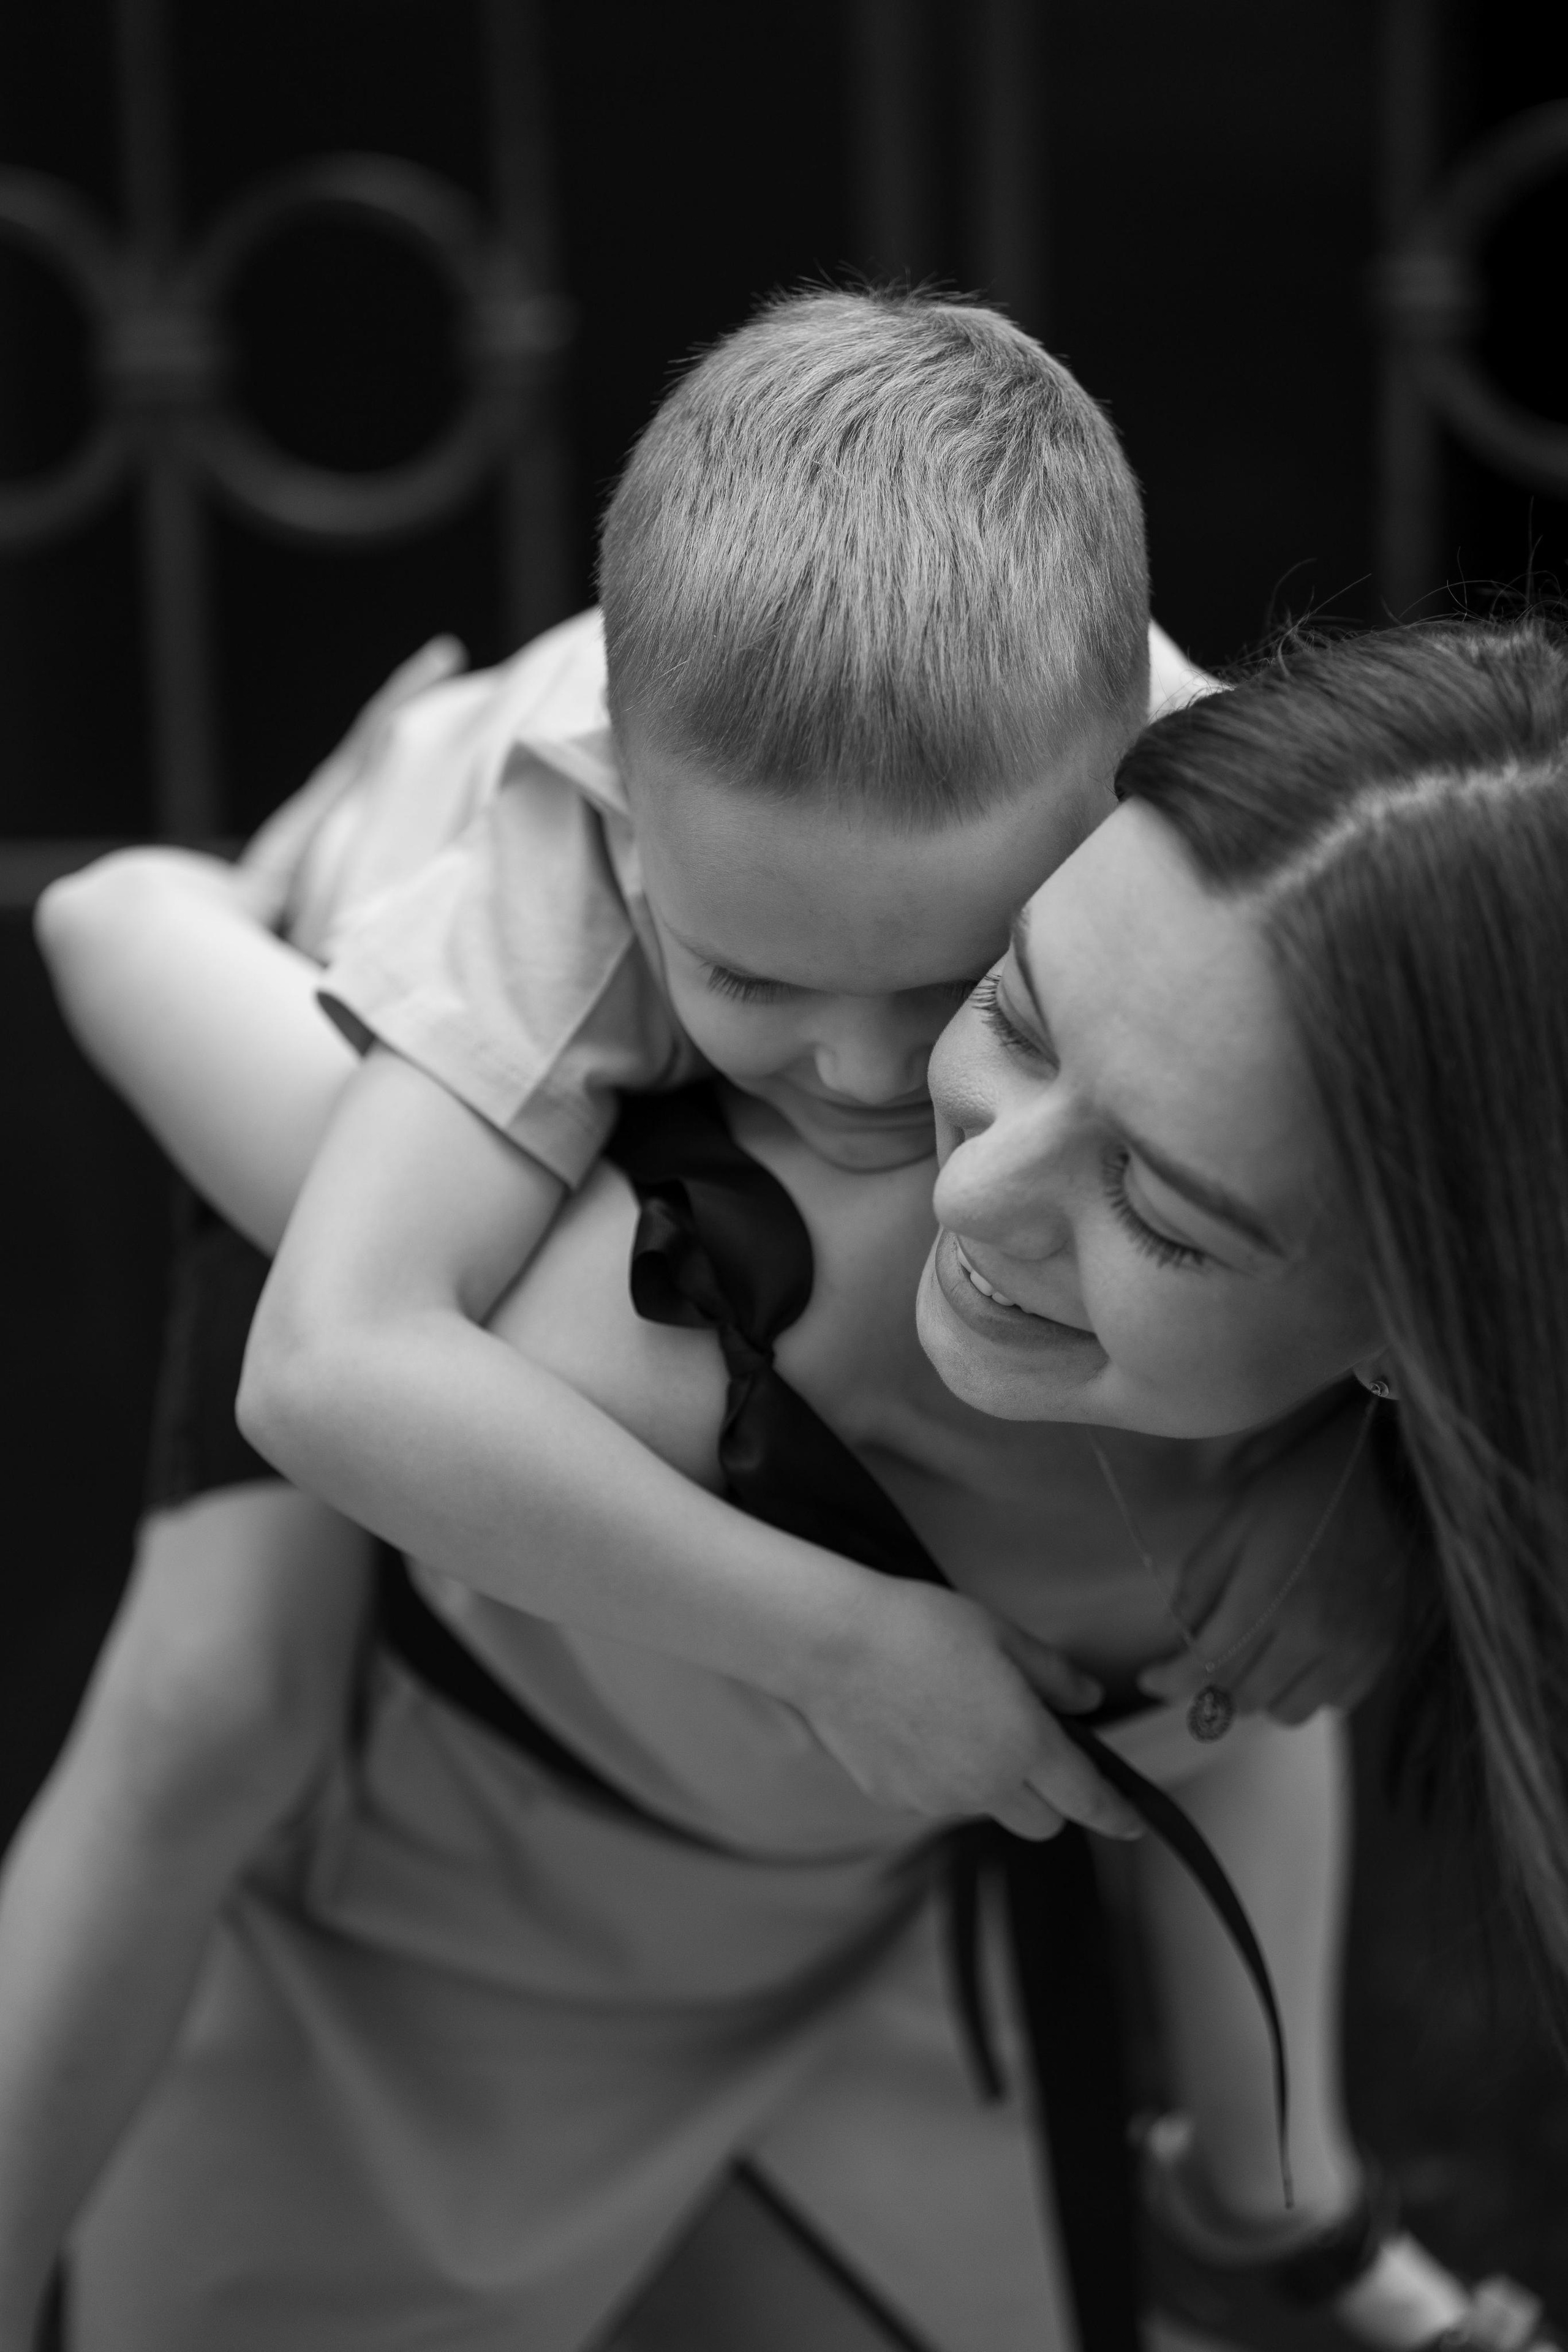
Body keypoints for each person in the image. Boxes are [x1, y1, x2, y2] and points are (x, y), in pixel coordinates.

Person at [2, 288, 1395, 2344]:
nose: (849, 1074)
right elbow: (336, 1365)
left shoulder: (1196, 791)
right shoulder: (566, 849)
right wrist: (842, 1639)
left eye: (946, 990)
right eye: (762, 984)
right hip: (388, 996)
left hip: (660, 1080)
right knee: (216, 1704)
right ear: (645, 848)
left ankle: (1282, 2207)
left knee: (1226, 1641)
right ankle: (173, 904)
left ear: (1110, 810)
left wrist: (1343, 1460)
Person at [914, 612, 1568, 2348]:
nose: (965, 1200)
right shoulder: (1017, 727)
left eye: (1164, 1215)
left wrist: (1391, 1490)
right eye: (1014, 1010)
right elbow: (330, 1358)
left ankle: (1274, 2210)